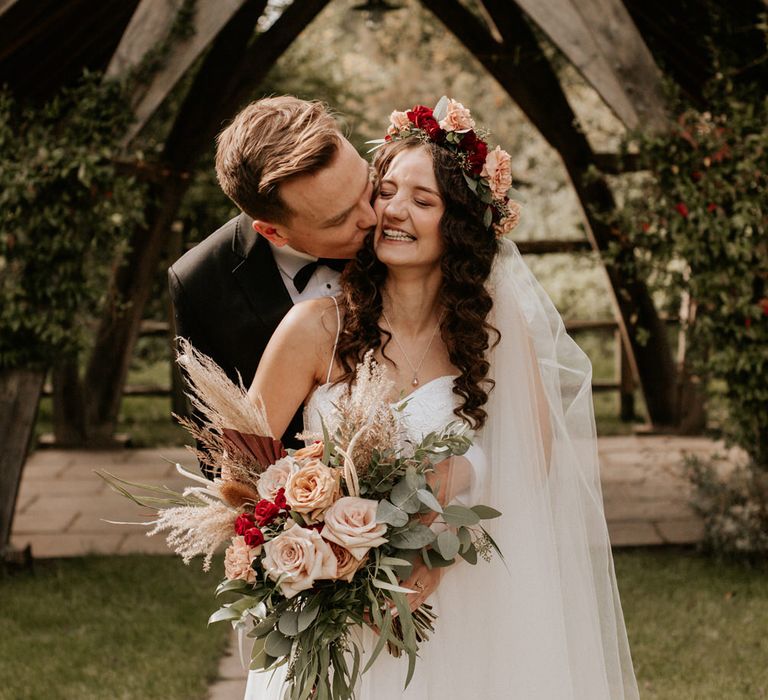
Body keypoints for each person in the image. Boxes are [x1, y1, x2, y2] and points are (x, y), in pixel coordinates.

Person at [243, 100, 639, 698]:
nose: (393, 210)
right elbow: (241, 472)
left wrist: (460, 478)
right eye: (387, 190)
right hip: (340, 619)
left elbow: (536, 463)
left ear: (457, 226)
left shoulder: (495, 339)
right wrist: (322, 554)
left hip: (466, 606)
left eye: (422, 200)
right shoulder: (312, 330)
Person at [168, 96, 377, 449]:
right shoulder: (201, 283)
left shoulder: (403, 219)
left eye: (366, 183)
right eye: (340, 219)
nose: (372, 218)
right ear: (273, 232)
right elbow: (219, 452)